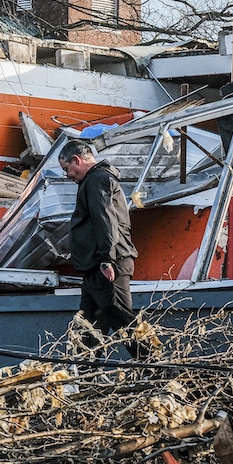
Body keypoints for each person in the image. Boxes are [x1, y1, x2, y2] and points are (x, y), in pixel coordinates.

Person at [58, 139, 149, 359]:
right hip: (96, 267)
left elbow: (105, 220)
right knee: (87, 326)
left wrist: (107, 260)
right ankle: (82, 378)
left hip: (107, 264)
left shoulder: (97, 180)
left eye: (66, 169)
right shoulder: (95, 180)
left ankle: (157, 365)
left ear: (76, 160)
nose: (67, 175)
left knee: (122, 318)